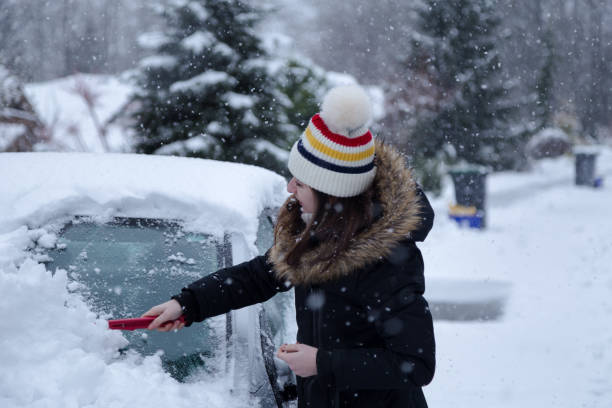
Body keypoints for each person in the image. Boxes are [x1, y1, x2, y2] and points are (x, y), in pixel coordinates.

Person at [143, 85, 436, 407]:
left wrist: (322, 363)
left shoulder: (388, 262)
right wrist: (188, 304)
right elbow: (256, 277)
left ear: (331, 194)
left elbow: (415, 365)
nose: (290, 187)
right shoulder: (314, 233)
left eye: (301, 182)